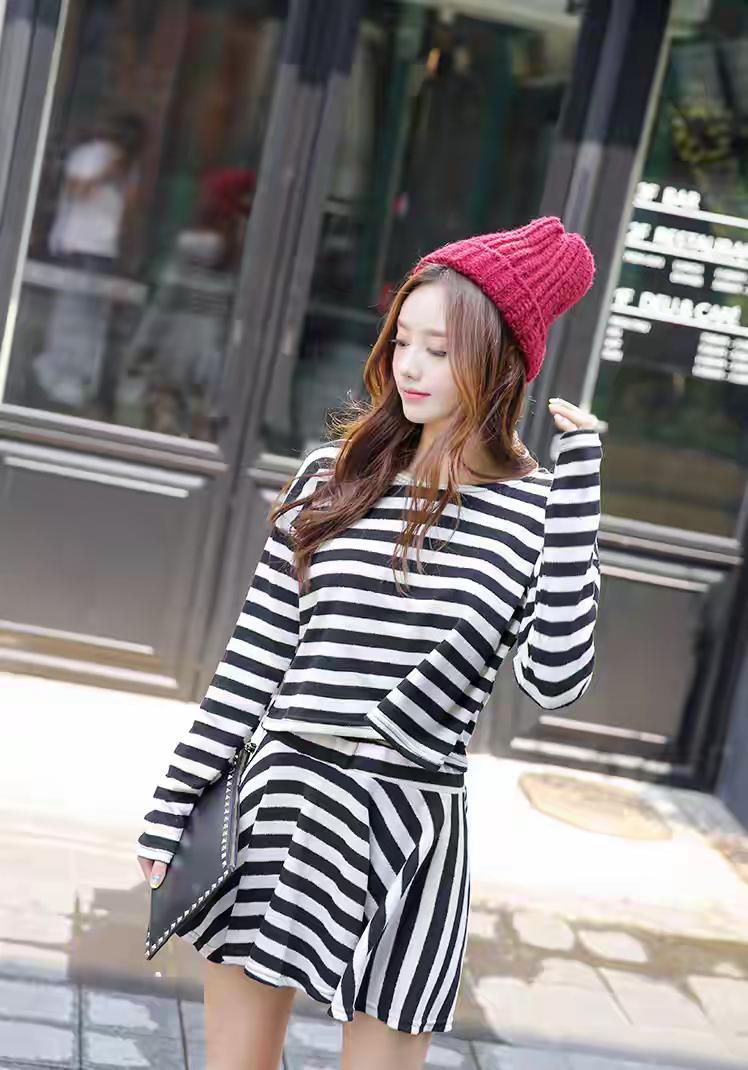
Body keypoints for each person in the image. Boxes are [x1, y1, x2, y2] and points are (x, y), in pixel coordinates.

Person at [136, 216, 603, 1070]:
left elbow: (556, 682)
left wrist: (576, 503)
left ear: (500, 362)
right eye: (403, 343)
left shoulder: (539, 515)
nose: (410, 368)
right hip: (283, 800)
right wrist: (173, 806)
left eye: (440, 349)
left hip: (411, 831)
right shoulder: (334, 474)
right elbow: (253, 663)